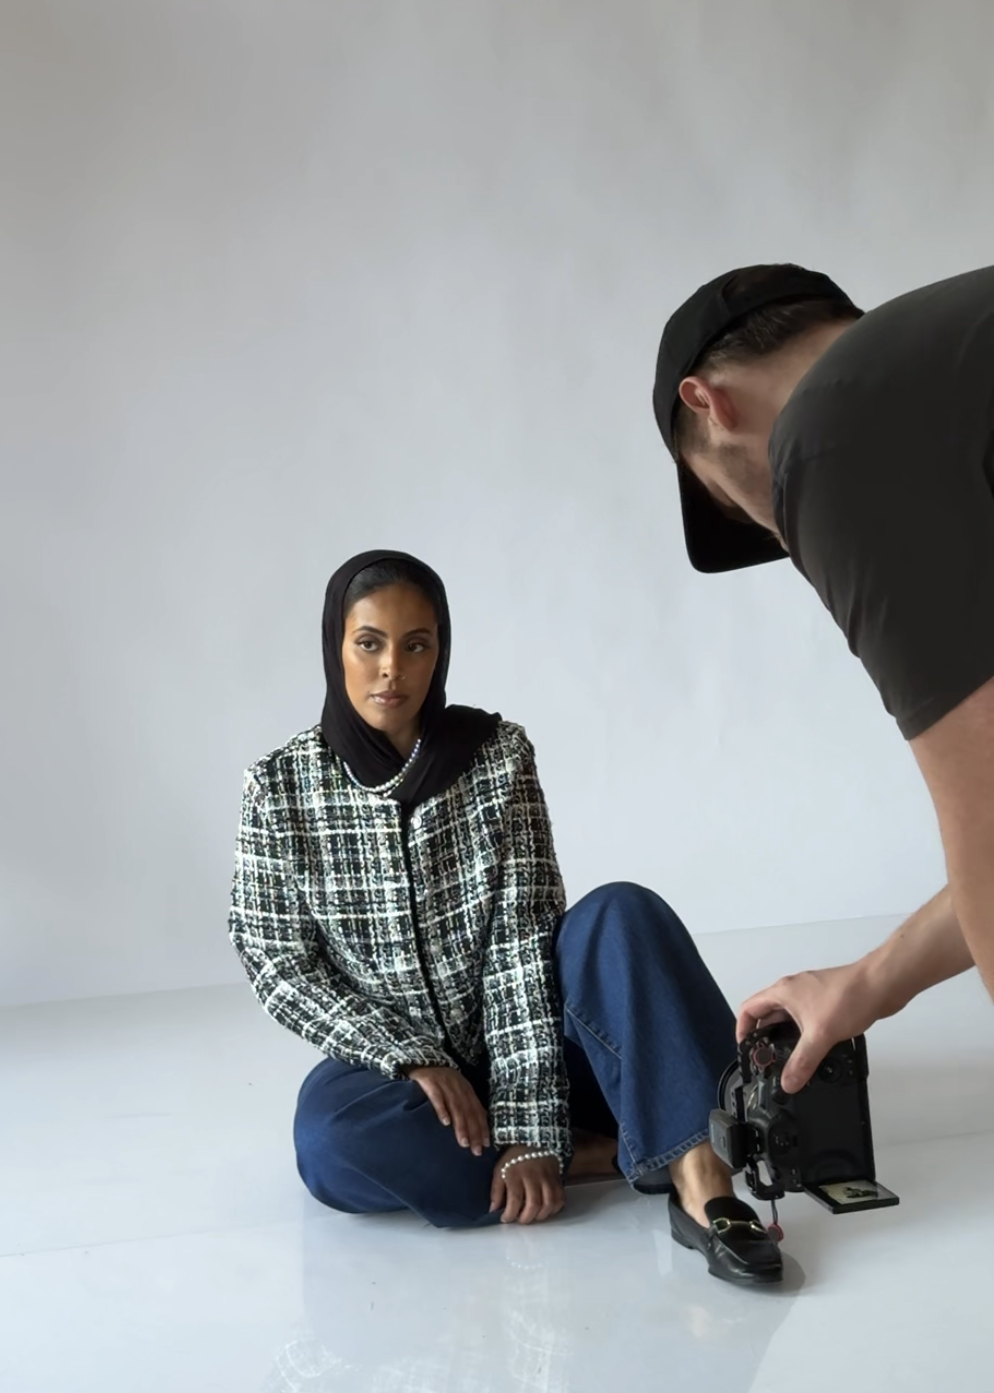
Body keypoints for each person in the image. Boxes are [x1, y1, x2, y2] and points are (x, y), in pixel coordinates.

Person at [228, 548, 782, 1286]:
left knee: (621, 914)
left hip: (538, 1047)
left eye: (415, 644)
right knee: (330, 1141)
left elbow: (522, 942)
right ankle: (615, 1147)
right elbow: (278, 962)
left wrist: (524, 1125)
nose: (392, 668)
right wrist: (409, 1056)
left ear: (439, 652)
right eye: (369, 643)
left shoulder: (495, 757)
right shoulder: (278, 789)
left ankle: (702, 1182)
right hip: (408, 1081)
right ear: (336, 648)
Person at [654, 261, 994, 1091]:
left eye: (737, 503)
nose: (780, 532)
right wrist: (871, 981)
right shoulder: (947, 371)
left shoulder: (832, 429)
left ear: (709, 402)